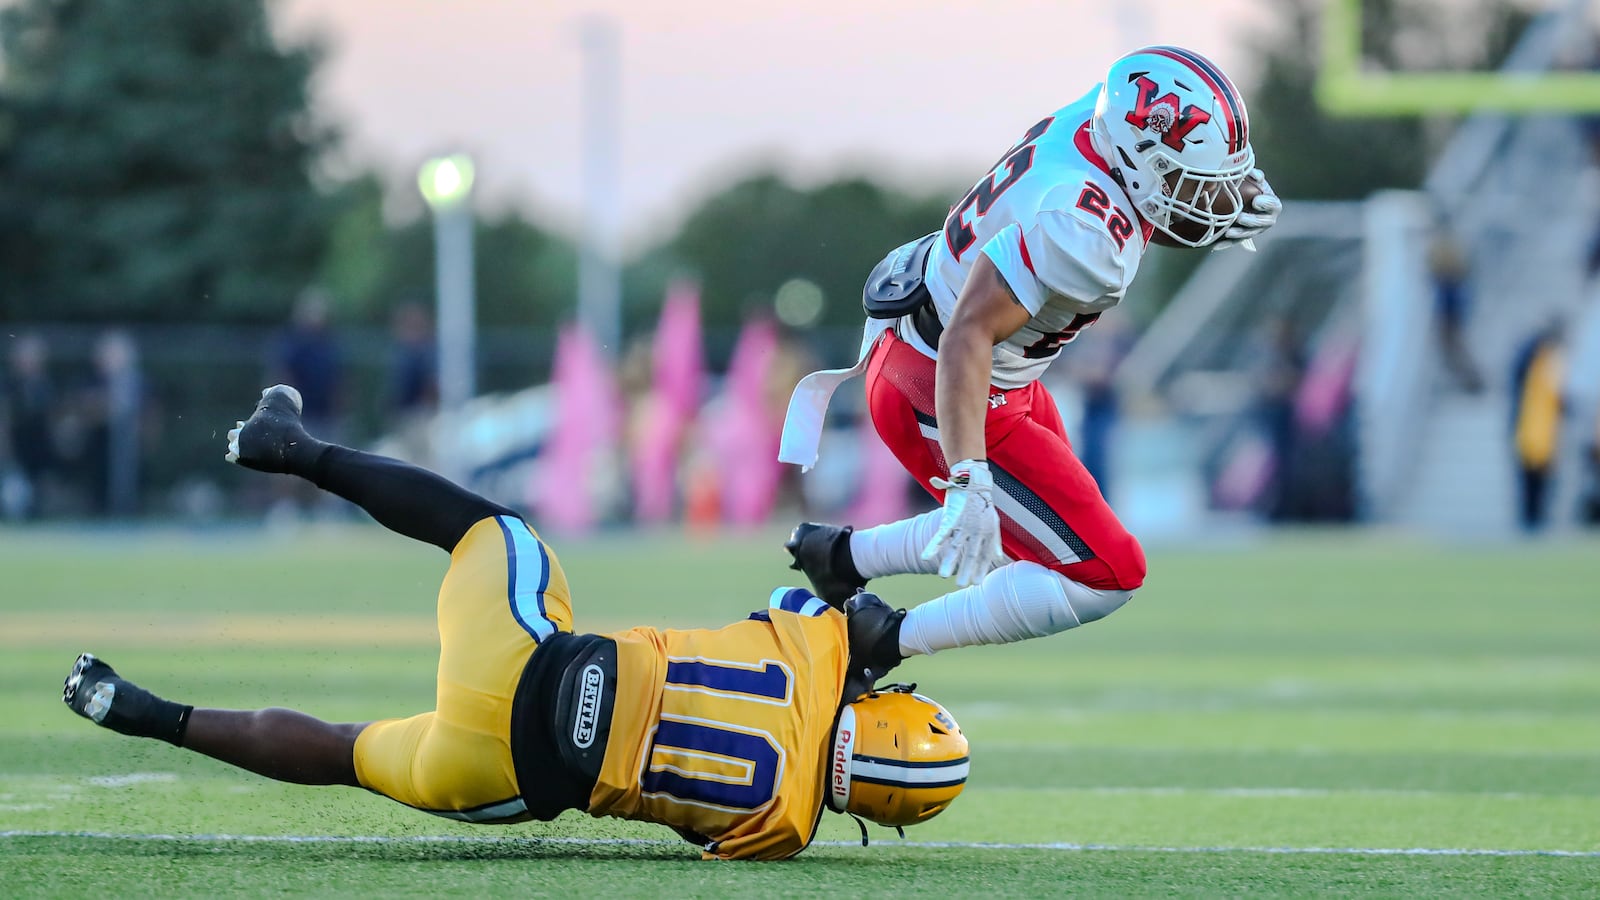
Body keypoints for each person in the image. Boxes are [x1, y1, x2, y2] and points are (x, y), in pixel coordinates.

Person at [62, 385, 969, 861]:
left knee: (489, 531)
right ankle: (147, 715)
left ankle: (294, 450)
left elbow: (838, 609)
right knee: (345, 752)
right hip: (505, 773)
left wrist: (866, 639)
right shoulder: (782, 834)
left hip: (526, 657)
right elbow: (707, 835)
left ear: (885, 706)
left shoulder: (814, 647)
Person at [778, 47, 1281, 650]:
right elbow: (970, 333)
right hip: (945, 383)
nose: (1210, 199)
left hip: (979, 368)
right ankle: (882, 642)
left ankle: (838, 558)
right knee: (1105, 574)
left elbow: (1133, 191)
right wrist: (967, 476)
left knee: (1031, 539)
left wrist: (1218, 180)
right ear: (1140, 161)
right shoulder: (1083, 231)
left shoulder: (1095, 124)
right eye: (1190, 182)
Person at [1509, 320, 1566, 532]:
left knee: (1540, 483)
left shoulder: (1551, 361)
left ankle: (1536, 523)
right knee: (1529, 482)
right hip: (1530, 429)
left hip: (1544, 432)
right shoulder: (1535, 361)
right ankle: (1529, 524)